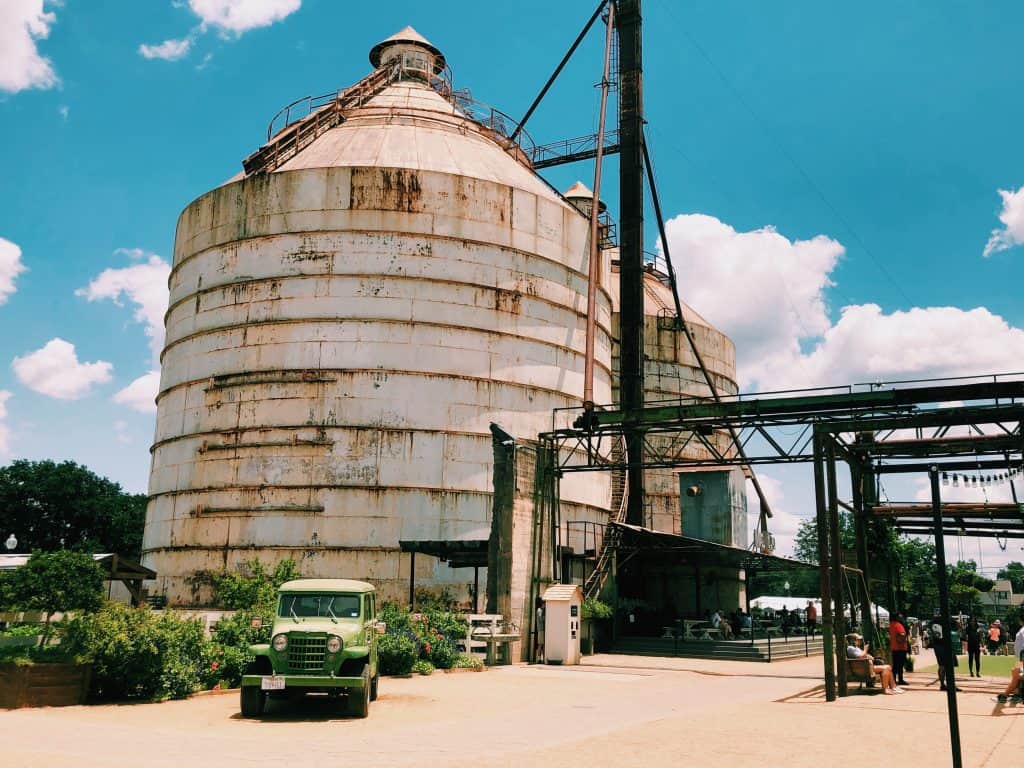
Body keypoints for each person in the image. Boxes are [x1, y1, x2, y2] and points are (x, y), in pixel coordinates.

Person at [995, 624, 1024, 703]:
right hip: (1020, 658)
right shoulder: (1021, 654)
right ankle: (1016, 692)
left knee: (1016, 674)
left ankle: (1006, 694)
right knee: (1015, 671)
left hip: (1020, 658)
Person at [889, 613, 909, 686]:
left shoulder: (891, 624)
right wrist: (904, 638)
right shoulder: (899, 625)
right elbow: (902, 634)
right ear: (897, 617)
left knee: (895, 664)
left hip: (894, 647)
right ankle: (900, 679)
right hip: (901, 647)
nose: (902, 618)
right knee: (900, 664)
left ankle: (894, 679)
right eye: (900, 617)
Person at [534, 596, 545, 662]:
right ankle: (538, 659)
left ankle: (541, 658)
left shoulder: (540, 610)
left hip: (541, 629)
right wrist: (545, 617)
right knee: (540, 644)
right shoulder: (539, 610)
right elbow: (541, 619)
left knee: (542, 644)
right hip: (541, 629)